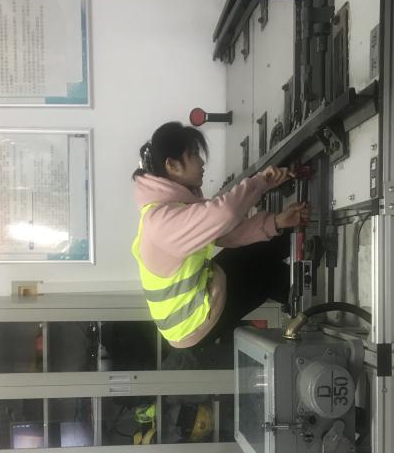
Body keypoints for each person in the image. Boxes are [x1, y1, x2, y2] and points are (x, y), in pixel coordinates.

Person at [131, 121, 309, 352]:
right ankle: (315, 309)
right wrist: (261, 182)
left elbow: (226, 234)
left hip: (203, 288)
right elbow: (226, 213)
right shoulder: (161, 223)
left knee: (260, 251)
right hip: (192, 323)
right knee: (267, 274)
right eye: (194, 154)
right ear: (172, 165)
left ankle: (307, 251)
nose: (201, 162)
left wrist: (276, 223)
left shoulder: (174, 206)